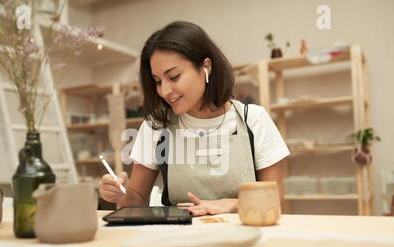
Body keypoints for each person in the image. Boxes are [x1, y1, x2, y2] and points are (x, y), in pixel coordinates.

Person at [99, 21, 290, 216]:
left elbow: (275, 201)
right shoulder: (156, 127)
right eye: (157, 81)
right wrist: (121, 195)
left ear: (206, 67)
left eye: (173, 76)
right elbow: (136, 201)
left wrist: (228, 205)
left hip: (245, 237)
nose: (164, 91)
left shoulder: (253, 120)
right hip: (179, 240)